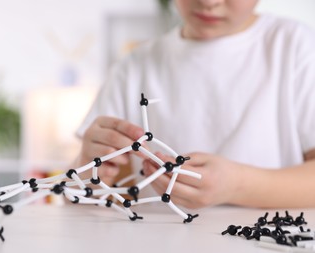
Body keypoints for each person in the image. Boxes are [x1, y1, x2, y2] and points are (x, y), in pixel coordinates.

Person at [72, 0, 315, 209]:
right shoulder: (134, 67)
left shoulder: (296, 47)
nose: (209, 2)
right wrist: (86, 166)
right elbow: (80, 193)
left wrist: (237, 185)